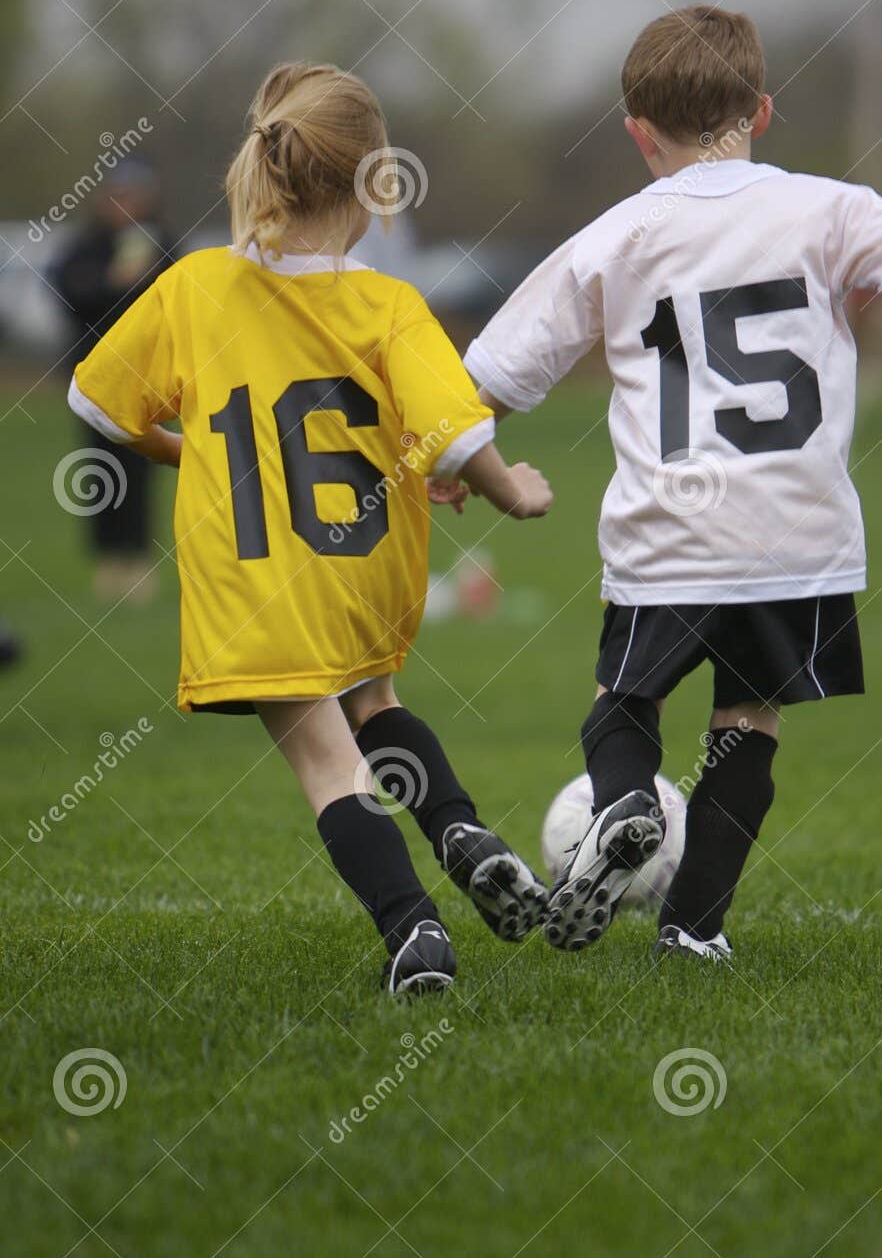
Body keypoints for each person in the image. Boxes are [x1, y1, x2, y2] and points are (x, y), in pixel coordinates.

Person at [462, 5, 882, 967]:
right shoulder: (827, 208)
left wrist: (464, 463)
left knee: (621, 704)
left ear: (638, 132)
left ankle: (625, 798)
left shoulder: (617, 234)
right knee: (749, 724)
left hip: (668, 529)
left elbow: (491, 375)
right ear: (762, 108)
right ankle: (694, 929)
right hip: (796, 532)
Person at [67, 62, 552, 995]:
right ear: (376, 184)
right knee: (376, 704)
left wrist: (191, 451)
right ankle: (457, 825)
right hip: (364, 564)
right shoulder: (387, 303)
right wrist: (508, 488)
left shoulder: (196, 287)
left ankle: (415, 934)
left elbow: (100, 407)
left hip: (257, 586)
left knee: (331, 765)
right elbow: (454, 434)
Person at [52, 160, 175, 602]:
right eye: (119, 196)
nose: (127, 205)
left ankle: (140, 561)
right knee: (100, 468)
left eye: (134, 195)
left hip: (148, 381)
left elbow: (178, 299)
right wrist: (115, 283)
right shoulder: (85, 246)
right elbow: (72, 293)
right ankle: (109, 560)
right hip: (96, 381)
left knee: (142, 466)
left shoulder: (161, 243)